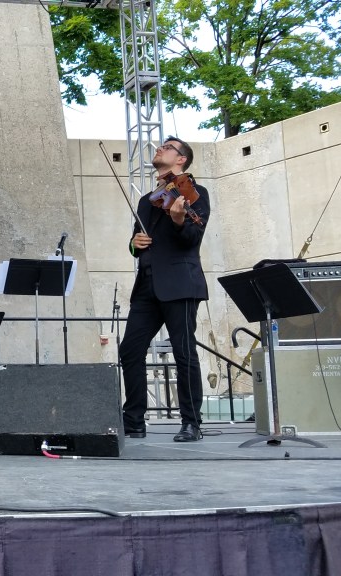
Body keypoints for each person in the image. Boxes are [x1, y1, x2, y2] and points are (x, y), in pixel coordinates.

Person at [119, 137, 211, 442]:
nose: (160, 148)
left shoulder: (195, 194)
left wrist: (179, 220)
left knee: (184, 352)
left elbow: (192, 240)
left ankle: (191, 422)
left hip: (180, 283)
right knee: (130, 349)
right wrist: (134, 244)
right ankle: (133, 421)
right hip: (147, 285)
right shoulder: (147, 201)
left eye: (168, 147)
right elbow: (138, 243)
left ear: (181, 159)